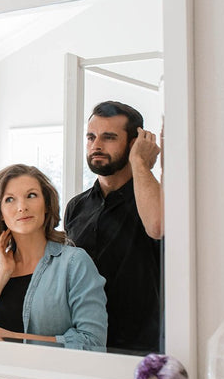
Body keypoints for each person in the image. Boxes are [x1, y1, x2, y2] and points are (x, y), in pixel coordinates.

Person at [0, 164, 106, 350]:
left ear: (47, 205)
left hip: (49, 378)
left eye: (31, 195)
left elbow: (93, 343)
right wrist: (2, 273)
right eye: (10, 199)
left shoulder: (74, 263)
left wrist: (15, 338)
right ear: (1, 214)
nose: (22, 207)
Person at [64, 100, 163, 355]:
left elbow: (157, 226)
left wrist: (141, 163)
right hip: (82, 346)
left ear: (134, 143)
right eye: (91, 137)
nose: (96, 145)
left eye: (108, 137)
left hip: (140, 351)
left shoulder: (155, 200)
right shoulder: (76, 206)